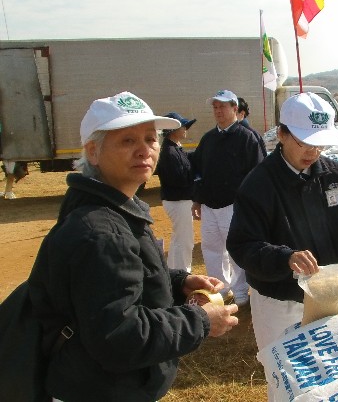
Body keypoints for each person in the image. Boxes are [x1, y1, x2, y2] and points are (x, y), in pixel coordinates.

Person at [27, 91, 238, 402]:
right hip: (99, 390)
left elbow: (113, 282)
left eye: (151, 139)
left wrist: (178, 281)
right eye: (127, 140)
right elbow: (120, 336)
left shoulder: (113, 209)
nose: (145, 149)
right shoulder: (102, 232)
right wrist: (201, 321)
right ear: (93, 152)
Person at [226, 92, 338, 399]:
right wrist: (285, 259)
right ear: (282, 134)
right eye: (304, 143)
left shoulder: (334, 176)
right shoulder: (259, 185)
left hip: (332, 295)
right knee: (286, 380)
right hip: (281, 300)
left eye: (320, 144)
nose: (313, 152)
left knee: (333, 376)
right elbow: (243, 244)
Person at [191, 90, 265, 306]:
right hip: (209, 206)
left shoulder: (247, 138)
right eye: (215, 107)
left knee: (235, 249)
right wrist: (197, 199)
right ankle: (220, 289)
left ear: (235, 108)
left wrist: (250, 205)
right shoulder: (208, 139)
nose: (218, 111)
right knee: (211, 249)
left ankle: (240, 291)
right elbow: (198, 171)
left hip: (233, 206)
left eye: (222, 106)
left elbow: (257, 174)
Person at [156, 112, 197, 272]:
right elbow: (179, 180)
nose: (186, 129)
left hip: (178, 200)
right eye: (183, 126)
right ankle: (183, 272)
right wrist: (197, 182)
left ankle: (173, 270)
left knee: (179, 237)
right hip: (178, 201)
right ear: (173, 130)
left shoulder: (174, 148)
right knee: (185, 239)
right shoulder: (169, 152)